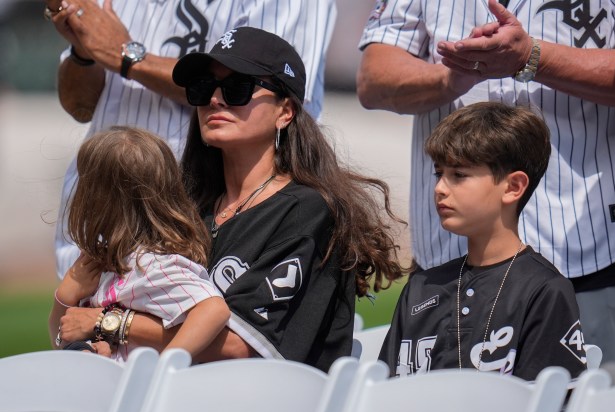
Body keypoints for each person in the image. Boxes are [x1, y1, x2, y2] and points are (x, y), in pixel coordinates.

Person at [57, 27, 408, 372]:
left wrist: (113, 323)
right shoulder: (187, 209)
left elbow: (242, 345)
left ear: (285, 112)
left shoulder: (307, 211)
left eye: (238, 87)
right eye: (202, 87)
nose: (215, 99)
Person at [358, 0, 615, 364]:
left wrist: (532, 57)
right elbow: (373, 78)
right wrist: (451, 78)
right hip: (448, 262)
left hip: (589, 253)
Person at [44, 0, 337, 280]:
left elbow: (278, 86)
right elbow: (79, 106)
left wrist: (127, 56)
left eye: (231, 89)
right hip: (101, 215)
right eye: (202, 87)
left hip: (202, 213)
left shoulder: (299, 210)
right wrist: (85, 52)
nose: (212, 98)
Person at [380, 102, 586, 380]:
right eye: (439, 173)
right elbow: (384, 394)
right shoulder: (421, 287)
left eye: (459, 175)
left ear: (513, 187)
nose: (440, 188)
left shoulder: (544, 290)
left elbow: (551, 402)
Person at [49, 126, 230, 361]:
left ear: (98, 198)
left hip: (146, 395)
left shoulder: (153, 264)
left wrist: (165, 367)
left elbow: (214, 310)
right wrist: (66, 297)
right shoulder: (101, 264)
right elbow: (59, 339)